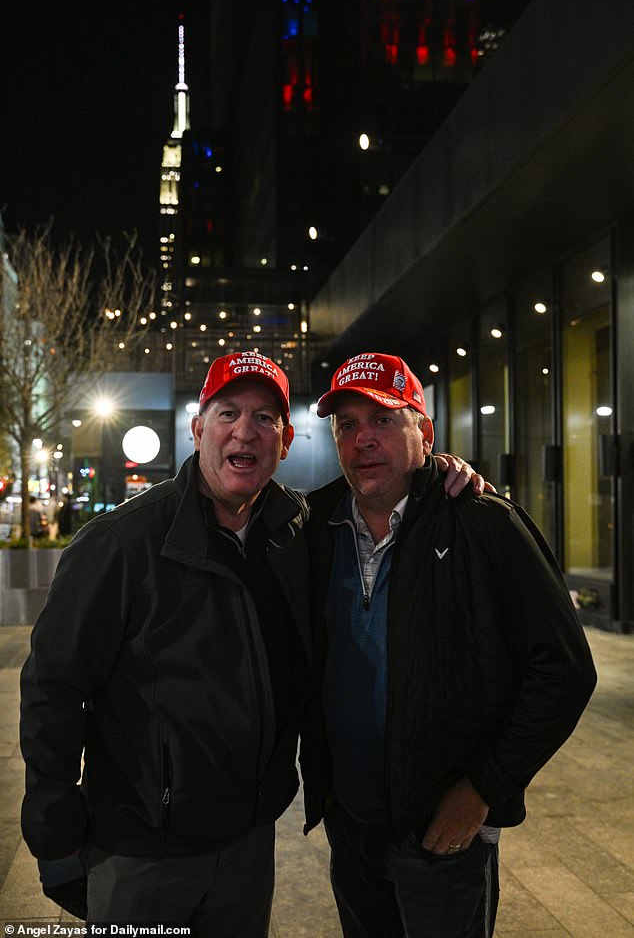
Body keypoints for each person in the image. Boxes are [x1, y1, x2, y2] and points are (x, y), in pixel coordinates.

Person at [20, 350, 484, 933]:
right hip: (140, 849)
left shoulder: (297, 530)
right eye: (227, 413)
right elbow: (52, 689)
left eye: (265, 418)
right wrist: (54, 834)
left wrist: (438, 471)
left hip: (247, 845)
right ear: (198, 430)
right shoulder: (119, 543)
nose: (245, 431)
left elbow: (384, 491)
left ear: (286, 440)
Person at [301, 352, 597, 938]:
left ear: (425, 434)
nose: (364, 439)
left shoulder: (482, 522)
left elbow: (563, 670)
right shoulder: (313, 527)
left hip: (443, 831)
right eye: (347, 425)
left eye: (384, 420)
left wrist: (484, 788)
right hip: (351, 825)